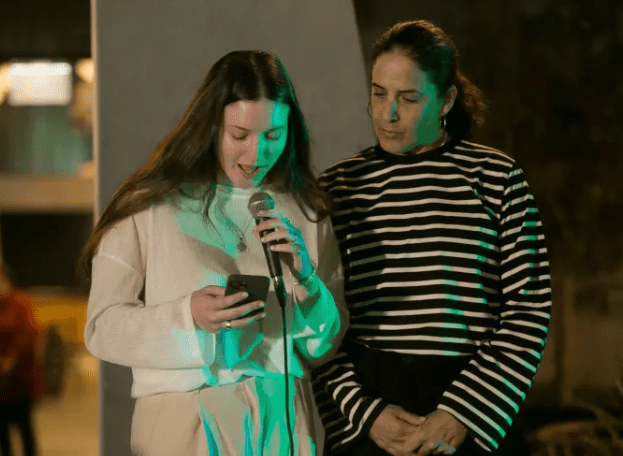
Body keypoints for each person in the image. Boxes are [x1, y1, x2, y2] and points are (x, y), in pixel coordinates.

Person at [82, 50, 346, 455]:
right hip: (186, 414)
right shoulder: (150, 204)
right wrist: (187, 317)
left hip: (282, 415)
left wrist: (308, 280)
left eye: (273, 136)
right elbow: (102, 328)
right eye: (239, 135)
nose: (256, 155)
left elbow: (323, 347)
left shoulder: (307, 211)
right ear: (210, 125)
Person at [312, 20, 551, 456]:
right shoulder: (338, 187)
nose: (387, 114)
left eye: (408, 98)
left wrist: (463, 413)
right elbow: (313, 318)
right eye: (378, 93)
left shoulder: (496, 178)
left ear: (447, 99)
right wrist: (365, 414)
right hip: (371, 407)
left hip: (473, 400)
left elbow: (529, 309)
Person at [0, 262, 44, 456]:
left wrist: (11, 358)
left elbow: (30, 334)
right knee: (2, 431)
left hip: (20, 379)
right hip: (1, 383)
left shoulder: (21, 303)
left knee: (25, 427)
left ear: (8, 281)